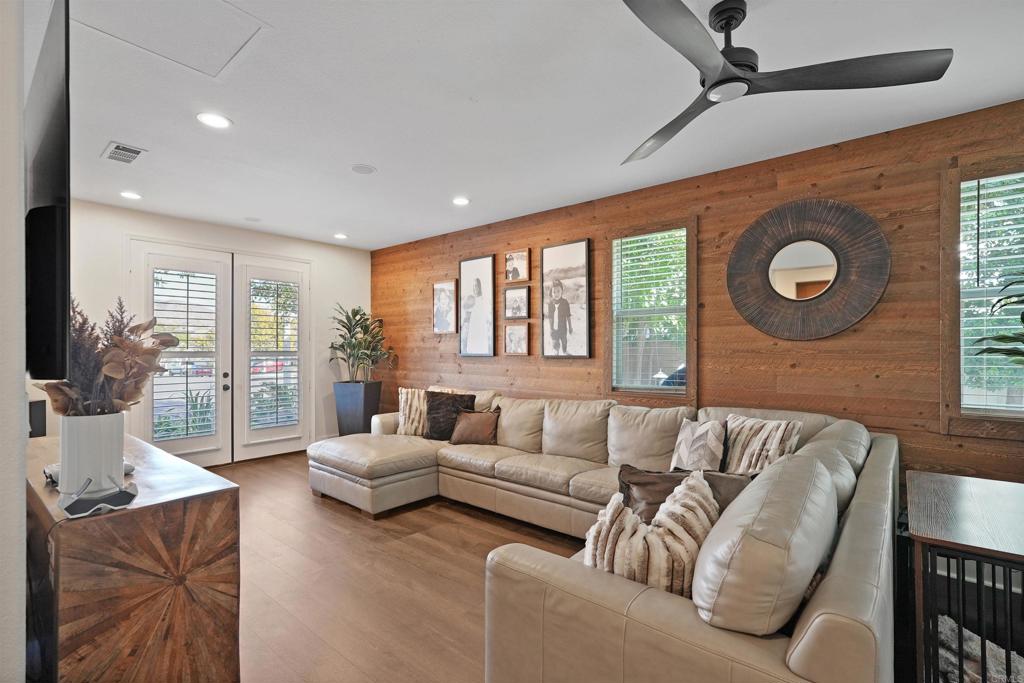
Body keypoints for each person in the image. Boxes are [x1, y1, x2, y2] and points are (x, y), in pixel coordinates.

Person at [464, 278, 491, 354]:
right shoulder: (472, 299)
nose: (474, 288)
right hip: (473, 328)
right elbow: (466, 310)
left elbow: (486, 315)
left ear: (479, 287)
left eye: (476, 286)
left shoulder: (483, 299)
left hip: (480, 328)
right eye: (473, 286)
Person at [547, 279, 572, 355]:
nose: (556, 294)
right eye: (554, 292)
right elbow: (550, 317)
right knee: (555, 343)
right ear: (551, 293)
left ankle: (565, 351)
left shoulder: (565, 303)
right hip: (554, 329)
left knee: (564, 341)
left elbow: (568, 316)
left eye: (558, 291)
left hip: (563, 328)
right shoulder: (550, 304)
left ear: (562, 292)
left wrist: (570, 327)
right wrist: (550, 328)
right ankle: (556, 352)